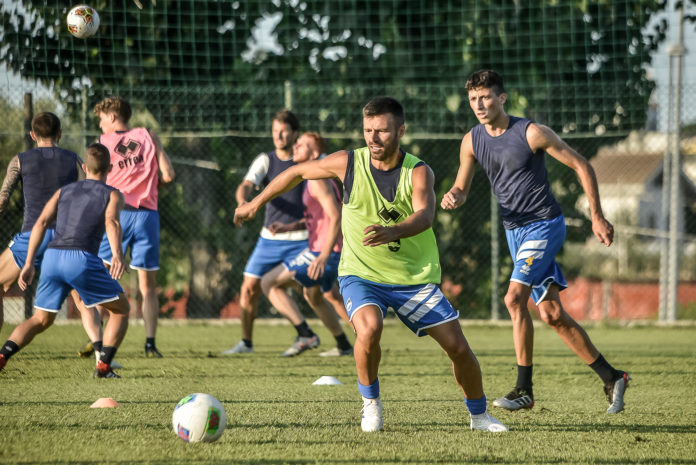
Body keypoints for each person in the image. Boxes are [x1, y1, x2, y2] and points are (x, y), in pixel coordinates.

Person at [234, 97, 508, 433]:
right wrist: (254, 204)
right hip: (361, 274)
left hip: (412, 277)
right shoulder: (348, 163)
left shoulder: (418, 171)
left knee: (458, 347)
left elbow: (425, 215)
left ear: (401, 131)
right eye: (367, 130)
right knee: (369, 329)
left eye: (382, 131)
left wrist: (393, 231)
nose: (373, 138)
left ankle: (479, 416)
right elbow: (296, 172)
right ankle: (371, 405)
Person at [441, 69, 630, 414]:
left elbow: (582, 165)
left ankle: (523, 390)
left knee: (514, 298)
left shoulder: (531, 133)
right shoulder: (471, 141)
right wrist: (454, 195)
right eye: (473, 99)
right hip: (515, 232)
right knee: (552, 314)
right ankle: (612, 376)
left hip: (545, 225)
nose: (479, 105)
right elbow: (462, 188)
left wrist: (597, 216)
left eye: (485, 97)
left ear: (502, 98)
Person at [0, 143, 130, 378]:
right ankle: (103, 367)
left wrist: (29, 262)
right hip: (81, 258)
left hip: (52, 257)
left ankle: (2, 356)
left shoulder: (64, 191)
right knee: (121, 310)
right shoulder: (113, 194)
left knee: (40, 319)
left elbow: (41, 223)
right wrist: (118, 254)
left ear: (84, 167)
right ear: (110, 168)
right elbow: (112, 222)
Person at [222, 110, 311, 355]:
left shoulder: (307, 161)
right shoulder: (266, 160)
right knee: (249, 288)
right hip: (269, 239)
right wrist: (243, 203)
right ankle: (246, 343)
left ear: (295, 133)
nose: (278, 136)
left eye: (283, 131)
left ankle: (347, 340)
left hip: (302, 239)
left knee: (322, 292)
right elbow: (246, 185)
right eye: (275, 131)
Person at [92, 97, 175, 358]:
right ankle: (150, 343)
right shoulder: (149, 136)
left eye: (102, 119)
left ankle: (97, 339)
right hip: (148, 216)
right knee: (148, 286)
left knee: (101, 276)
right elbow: (169, 174)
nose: (101, 124)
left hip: (118, 214)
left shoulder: (103, 142)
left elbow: (95, 182)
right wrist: (148, 186)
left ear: (112, 117)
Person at [260, 132, 353, 357]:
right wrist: (290, 227)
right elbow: (320, 216)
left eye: (302, 145)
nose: (296, 146)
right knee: (316, 297)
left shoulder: (316, 179)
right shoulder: (314, 177)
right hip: (325, 249)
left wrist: (324, 256)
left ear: (314, 153)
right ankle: (346, 344)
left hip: (325, 251)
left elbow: (336, 216)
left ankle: (305, 334)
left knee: (269, 282)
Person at [0, 112, 82, 334]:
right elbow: (89, 193)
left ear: (32, 135)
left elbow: (3, 200)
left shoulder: (20, 160)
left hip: (32, 238)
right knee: (80, 295)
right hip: (67, 240)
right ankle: (100, 348)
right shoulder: (75, 160)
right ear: (60, 134)